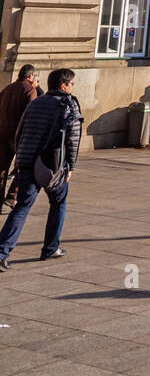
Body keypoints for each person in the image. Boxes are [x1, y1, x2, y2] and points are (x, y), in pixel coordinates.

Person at [0, 69, 82, 270]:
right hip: (53, 165)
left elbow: (20, 132)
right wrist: (71, 165)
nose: (72, 88)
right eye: (71, 84)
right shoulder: (69, 104)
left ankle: (1, 251)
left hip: (28, 162)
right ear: (64, 86)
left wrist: (21, 156)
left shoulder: (36, 102)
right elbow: (73, 139)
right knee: (58, 203)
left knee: (22, 206)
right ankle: (51, 247)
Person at [0, 66, 40, 209]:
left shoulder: (8, 88)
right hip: (19, 136)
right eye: (35, 77)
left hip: (3, 133)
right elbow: (32, 113)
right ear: (30, 77)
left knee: (2, 168)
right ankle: (12, 196)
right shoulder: (30, 90)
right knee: (24, 166)